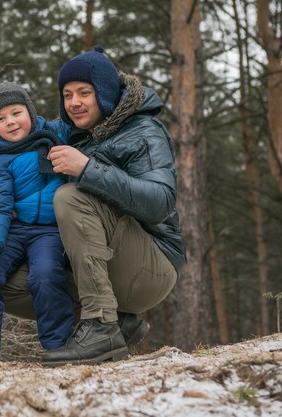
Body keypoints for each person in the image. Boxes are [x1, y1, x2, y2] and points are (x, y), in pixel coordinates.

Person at [35, 45, 186, 366]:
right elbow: (26, 130)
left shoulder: (144, 132)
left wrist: (87, 169)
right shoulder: (82, 135)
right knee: (11, 280)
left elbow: (159, 203)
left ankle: (101, 326)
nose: (74, 102)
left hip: (153, 266)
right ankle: (117, 324)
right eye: (67, 94)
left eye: (84, 92)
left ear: (104, 93)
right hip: (115, 267)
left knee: (71, 197)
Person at [0, 81, 74, 369]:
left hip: (51, 230)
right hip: (15, 229)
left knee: (46, 275)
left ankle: (58, 347)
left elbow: (81, 116)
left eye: (16, 113)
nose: (10, 122)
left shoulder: (56, 133)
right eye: (1, 118)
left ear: (31, 112)